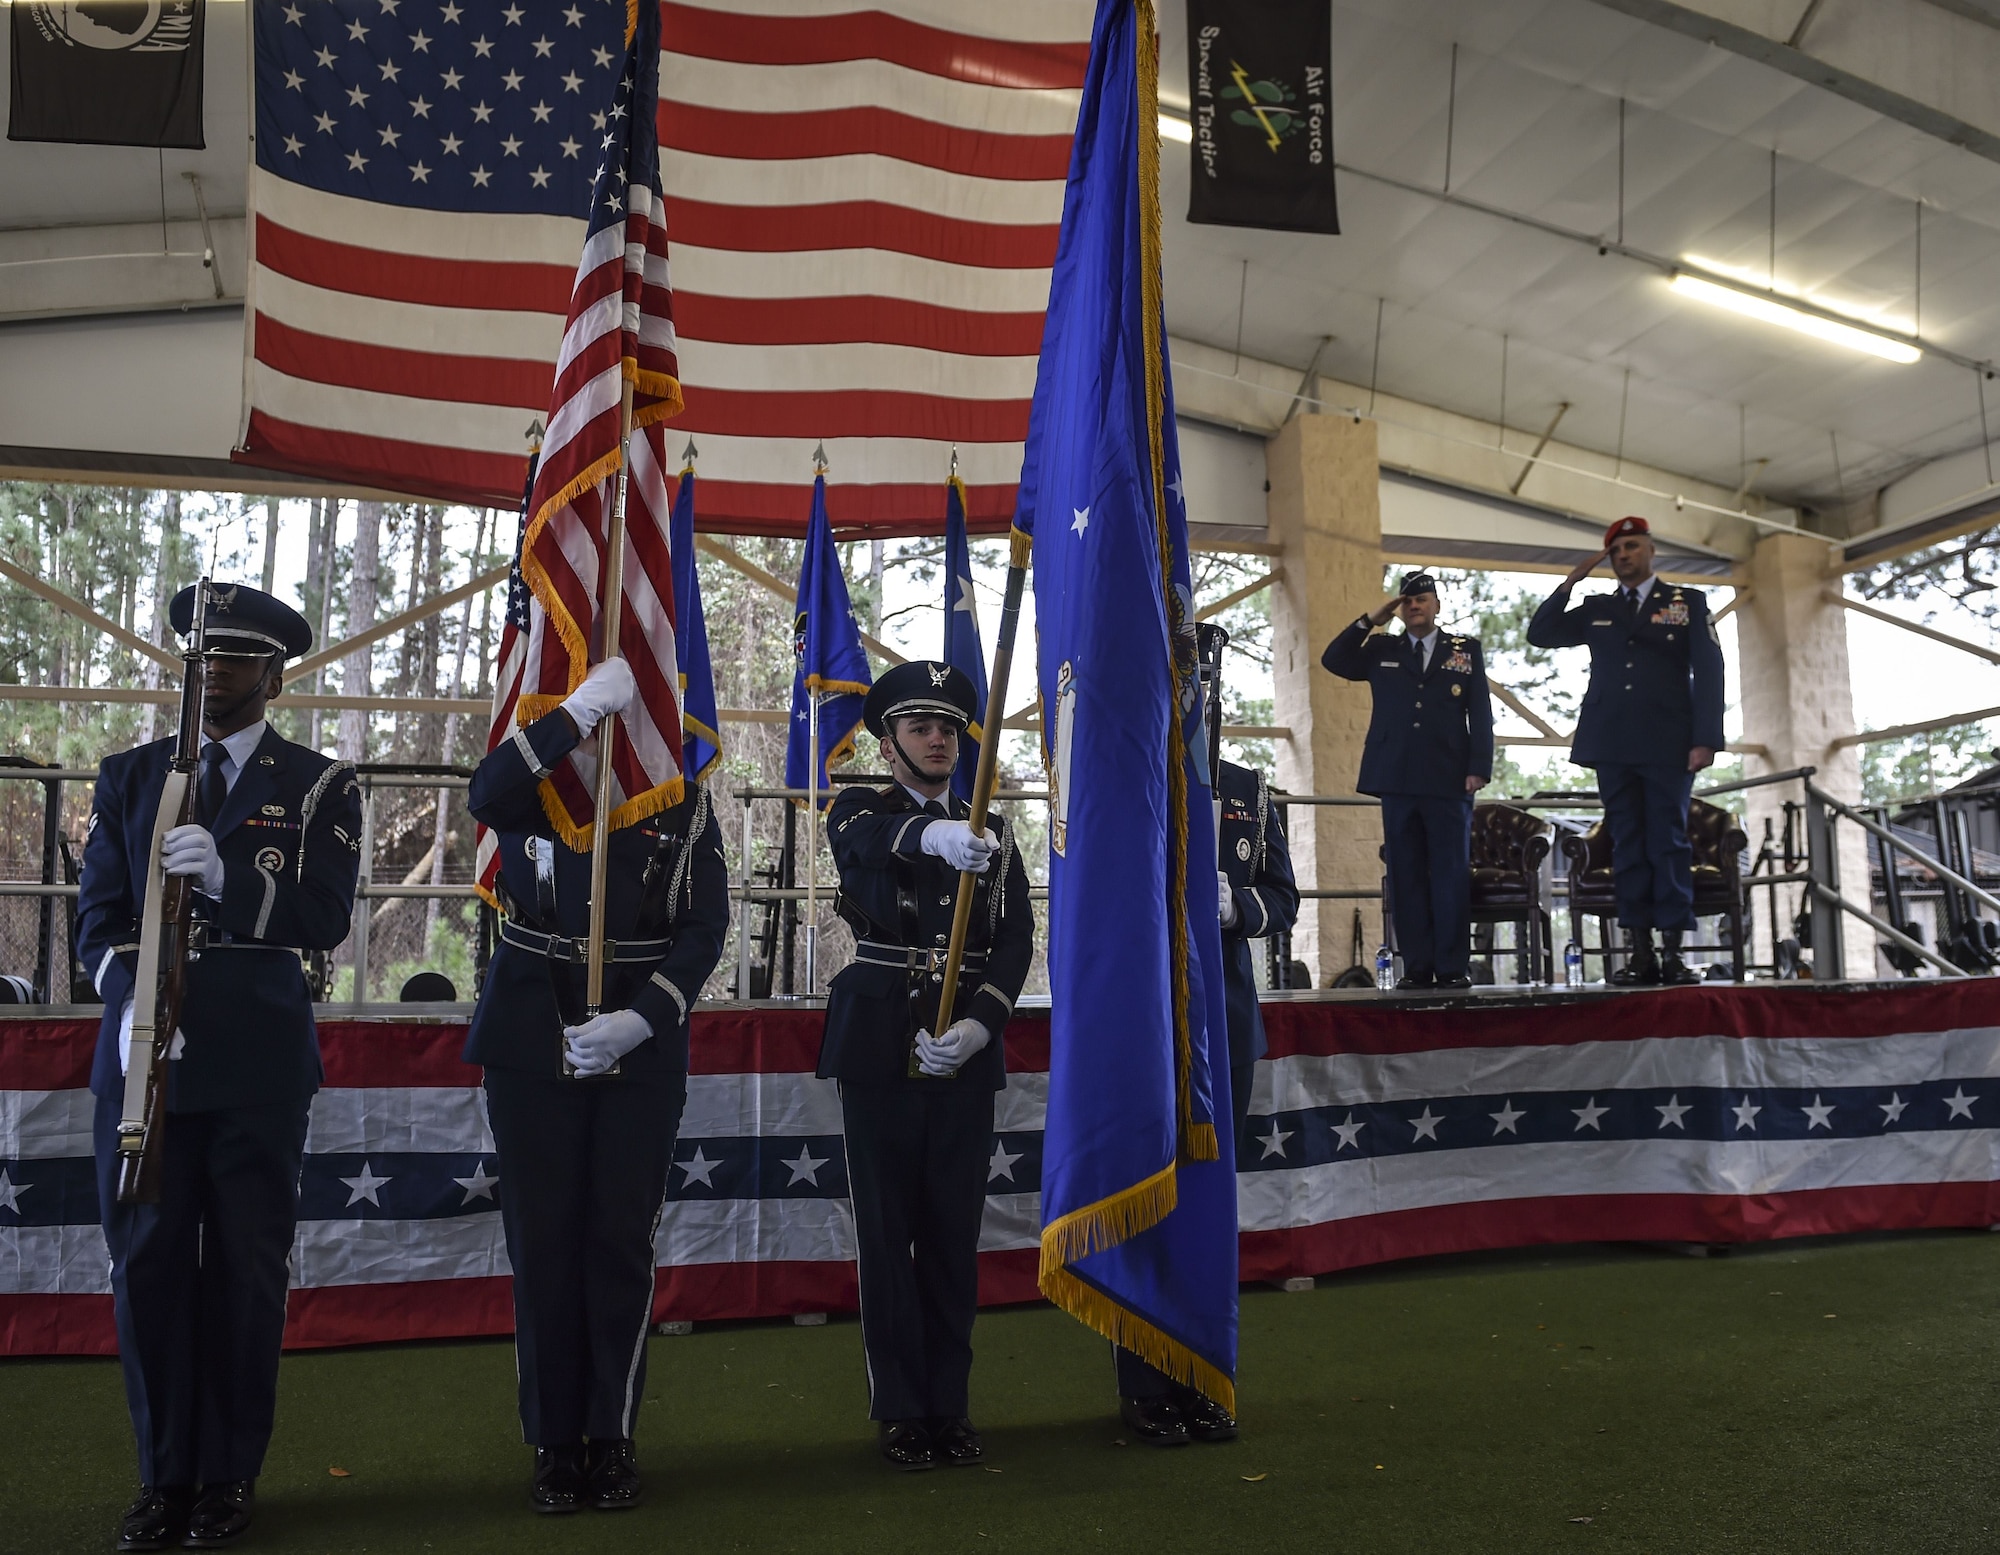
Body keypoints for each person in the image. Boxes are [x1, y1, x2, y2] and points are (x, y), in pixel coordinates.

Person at [78, 584, 361, 1553]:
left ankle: (229, 1476)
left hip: (254, 1061)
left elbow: (324, 919)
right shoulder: (128, 775)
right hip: (145, 1062)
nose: (215, 675)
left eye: (235, 660)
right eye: (202, 659)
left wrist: (230, 883)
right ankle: (164, 1477)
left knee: (244, 1272)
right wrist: (138, 1006)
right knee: (148, 1266)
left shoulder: (320, 784)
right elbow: (99, 923)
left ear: (273, 674)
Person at [465, 657, 730, 1514]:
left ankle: (610, 1435)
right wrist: (570, 717)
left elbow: (705, 922)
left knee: (619, 1241)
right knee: (543, 1245)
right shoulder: (531, 780)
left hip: (638, 1041)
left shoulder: (676, 793)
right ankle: (553, 1443)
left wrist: (645, 1017)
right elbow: (484, 792)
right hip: (530, 1030)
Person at [818, 660, 1035, 1472]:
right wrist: (935, 834)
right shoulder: (859, 807)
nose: (940, 738)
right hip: (879, 1039)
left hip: (963, 1050)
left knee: (951, 1236)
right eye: (921, 726)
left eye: (949, 727)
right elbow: (864, 847)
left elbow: (1014, 937)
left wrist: (983, 1024)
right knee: (887, 1234)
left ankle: (950, 1403)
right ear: (890, 740)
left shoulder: (996, 828)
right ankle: (901, 1410)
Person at [1114, 624, 1299, 1446]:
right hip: (1146, 1024)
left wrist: (1238, 908)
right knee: (1147, 1202)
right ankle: (1147, 1385)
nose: (1194, 697)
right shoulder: (1121, 781)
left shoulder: (1248, 789)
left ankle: (1205, 1379)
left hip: (1224, 1024)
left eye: (1204, 684)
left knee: (1211, 1207)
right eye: (1181, 682)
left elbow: (1283, 899)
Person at [1527, 516, 1725, 985]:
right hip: (1611, 741)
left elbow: (1710, 670)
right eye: (1616, 551)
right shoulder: (1598, 607)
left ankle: (1674, 954)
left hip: (1668, 742)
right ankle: (1640, 953)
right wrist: (1571, 581)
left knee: (1669, 842)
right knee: (1627, 844)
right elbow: (1541, 633)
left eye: (1633, 547)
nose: (1624, 556)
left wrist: (1705, 738)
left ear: (1652, 551)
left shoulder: (1686, 603)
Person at [1321, 571, 1494, 989]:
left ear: (1437, 605)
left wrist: (1478, 767)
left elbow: (1481, 712)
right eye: (1408, 600)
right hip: (1397, 776)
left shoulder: (1464, 650)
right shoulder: (1382, 648)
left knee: (1450, 874)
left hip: (1450, 777)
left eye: (1423, 599)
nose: (1415, 605)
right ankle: (1416, 967)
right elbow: (1334, 659)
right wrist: (1371, 619)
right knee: (1407, 875)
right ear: (1400, 608)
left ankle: (1452, 968)